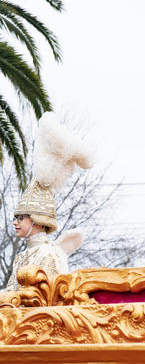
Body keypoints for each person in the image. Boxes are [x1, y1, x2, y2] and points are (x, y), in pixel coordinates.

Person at [2, 112, 91, 292]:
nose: (15, 222)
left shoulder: (50, 253)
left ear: (35, 219)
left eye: (20, 218)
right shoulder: (22, 256)